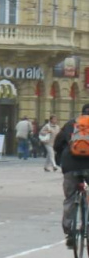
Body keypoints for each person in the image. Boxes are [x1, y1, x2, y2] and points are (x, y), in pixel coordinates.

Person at [54, 104, 89, 249]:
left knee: (69, 198)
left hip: (70, 164)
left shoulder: (70, 124)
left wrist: (61, 158)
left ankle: (69, 233)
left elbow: (57, 144)